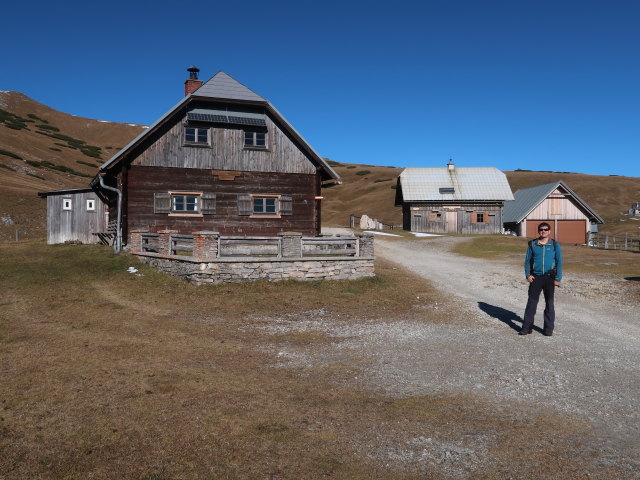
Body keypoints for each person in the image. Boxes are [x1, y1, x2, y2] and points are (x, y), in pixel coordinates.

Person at [520, 222, 562, 336]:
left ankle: (548, 329)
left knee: (549, 303)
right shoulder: (532, 244)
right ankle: (526, 327)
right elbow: (527, 261)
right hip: (536, 278)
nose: (543, 231)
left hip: (549, 277)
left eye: (545, 229)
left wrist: (558, 278)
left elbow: (559, 262)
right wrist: (528, 275)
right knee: (531, 303)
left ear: (549, 231)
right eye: (541, 229)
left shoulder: (554, 245)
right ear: (539, 231)